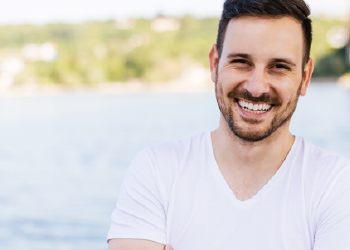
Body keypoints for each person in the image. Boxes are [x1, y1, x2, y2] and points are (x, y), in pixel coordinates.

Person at [107, 0, 350, 249]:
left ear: (305, 77)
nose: (256, 87)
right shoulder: (157, 170)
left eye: (279, 67)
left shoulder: (336, 184)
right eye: (241, 62)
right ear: (215, 64)